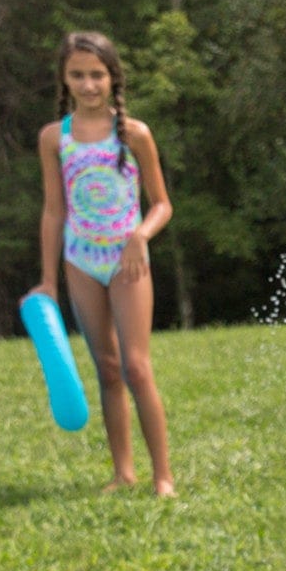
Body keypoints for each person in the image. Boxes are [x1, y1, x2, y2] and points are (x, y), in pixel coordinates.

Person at [38, 31, 177, 498]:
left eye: (96, 74)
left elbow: (161, 204)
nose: (88, 84)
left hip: (127, 262)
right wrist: (47, 281)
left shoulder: (134, 134)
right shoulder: (54, 139)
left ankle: (163, 476)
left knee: (137, 367)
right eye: (77, 75)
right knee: (108, 368)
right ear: (64, 79)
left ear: (112, 77)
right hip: (80, 260)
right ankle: (123, 472)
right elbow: (54, 211)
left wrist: (140, 235)